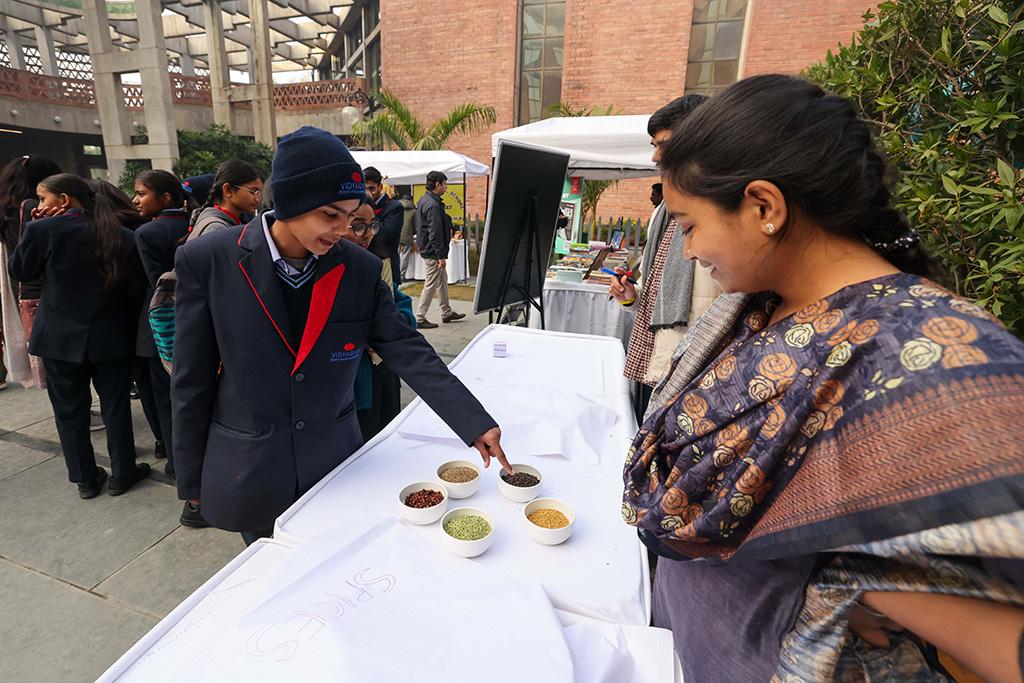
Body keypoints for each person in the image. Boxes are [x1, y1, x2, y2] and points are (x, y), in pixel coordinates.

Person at [622, 75, 1024, 683]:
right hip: (691, 639)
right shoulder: (754, 307)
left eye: (688, 226)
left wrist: (871, 579)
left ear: (763, 207)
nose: (688, 251)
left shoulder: (930, 350)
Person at [171, 126, 509, 545]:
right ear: (290, 202)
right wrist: (191, 478)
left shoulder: (357, 269)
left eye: (350, 216)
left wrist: (474, 422)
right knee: (269, 565)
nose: (342, 229)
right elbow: (191, 379)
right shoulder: (209, 260)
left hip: (334, 460)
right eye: (330, 215)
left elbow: (407, 349)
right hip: (251, 465)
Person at [8, 173, 149, 498]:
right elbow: (135, 290)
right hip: (111, 336)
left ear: (64, 200)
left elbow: (20, 271)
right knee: (116, 406)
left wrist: (31, 228)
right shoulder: (122, 235)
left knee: (69, 411)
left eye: (43, 198)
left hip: (59, 338)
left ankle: (85, 479)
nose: (39, 204)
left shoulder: (43, 230)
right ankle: (123, 473)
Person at [609, 94, 716, 421]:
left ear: (698, 140)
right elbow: (654, 287)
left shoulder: (722, 209)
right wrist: (630, 296)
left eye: (664, 145)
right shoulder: (663, 211)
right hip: (653, 356)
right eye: (654, 145)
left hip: (695, 367)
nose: (656, 156)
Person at [132, 170, 191, 491]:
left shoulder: (147, 233)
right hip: (195, 320)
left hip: (161, 326)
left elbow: (156, 283)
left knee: (167, 403)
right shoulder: (195, 223)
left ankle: (177, 464)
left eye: (142, 193)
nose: (135, 200)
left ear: (165, 197)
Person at [341, 196, 404, 441]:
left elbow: (400, 306)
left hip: (384, 365)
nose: (367, 234)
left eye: (372, 225)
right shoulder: (329, 266)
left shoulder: (378, 260)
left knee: (387, 432)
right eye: (358, 226)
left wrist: (393, 325)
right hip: (355, 379)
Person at [0, 155, 63, 391]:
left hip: (24, 291)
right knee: (61, 360)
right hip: (43, 289)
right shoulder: (31, 208)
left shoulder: (7, 208)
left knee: (50, 359)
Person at [414, 171, 464, 328]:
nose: (446, 187)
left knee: (442, 281)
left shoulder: (425, 199)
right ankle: (419, 318)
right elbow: (434, 232)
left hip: (429, 249)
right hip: (432, 252)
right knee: (431, 283)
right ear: (438, 184)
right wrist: (440, 256)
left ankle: (446, 312)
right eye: (445, 184)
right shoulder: (433, 204)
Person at [189, 160, 263, 240]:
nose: (257, 199)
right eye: (253, 191)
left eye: (259, 193)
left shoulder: (234, 222)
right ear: (228, 190)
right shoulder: (216, 229)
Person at [363, 166, 404, 282]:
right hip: (365, 264)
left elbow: (382, 235)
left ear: (380, 187)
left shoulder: (394, 207)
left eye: (371, 188)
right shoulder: (360, 206)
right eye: (364, 189)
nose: (368, 193)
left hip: (386, 266)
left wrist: (369, 209)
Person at [397, 187, 416, 282]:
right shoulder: (414, 211)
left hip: (396, 234)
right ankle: (401, 276)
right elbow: (415, 225)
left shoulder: (396, 208)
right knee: (404, 256)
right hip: (407, 236)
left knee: (396, 255)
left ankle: (395, 275)